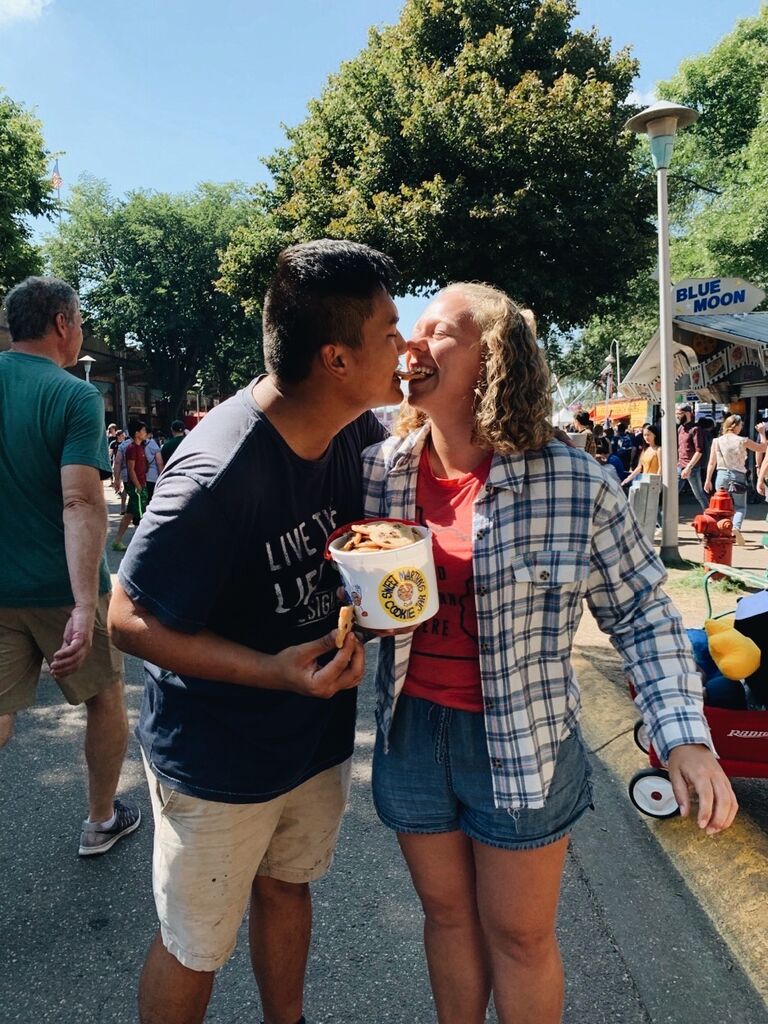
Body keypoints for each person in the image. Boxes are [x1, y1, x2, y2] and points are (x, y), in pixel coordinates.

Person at [361, 282, 737, 1024]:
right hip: (409, 737)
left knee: (522, 936)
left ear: (494, 359)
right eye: (412, 328)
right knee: (446, 920)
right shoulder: (382, 471)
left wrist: (685, 738)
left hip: (523, 744)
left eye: (439, 331)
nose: (412, 342)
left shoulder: (573, 481)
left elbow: (641, 615)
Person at [107, 240, 405, 1024]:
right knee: (196, 945)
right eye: (390, 332)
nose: (403, 346)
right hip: (216, 754)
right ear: (337, 359)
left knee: (288, 886)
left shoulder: (356, 434)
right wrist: (272, 672)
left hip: (311, 735)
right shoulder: (215, 473)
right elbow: (126, 618)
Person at [0, 276, 140, 855]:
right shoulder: (74, 395)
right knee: (105, 698)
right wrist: (85, 605)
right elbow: (81, 501)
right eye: (78, 320)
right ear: (62, 323)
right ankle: (100, 819)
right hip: (64, 585)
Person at [703, 414, 766, 545]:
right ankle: (736, 527)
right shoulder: (743, 440)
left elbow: (711, 463)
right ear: (736, 426)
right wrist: (762, 433)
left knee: (721, 507)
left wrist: (708, 479)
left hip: (720, 476)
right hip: (738, 476)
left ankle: (721, 531)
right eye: (741, 425)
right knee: (740, 507)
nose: (741, 428)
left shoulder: (717, 441)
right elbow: (762, 448)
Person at [112, 420, 149, 551]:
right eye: (143, 431)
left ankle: (117, 540)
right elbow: (131, 469)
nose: (145, 433)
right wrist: (138, 485)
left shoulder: (140, 447)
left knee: (131, 513)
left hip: (140, 484)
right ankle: (141, 544)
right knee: (140, 513)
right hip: (136, 485)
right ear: (137, 433)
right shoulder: (132, 448)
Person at [676, 404, 707, 510]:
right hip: (680, 466)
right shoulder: (680, 428)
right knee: (671, 494)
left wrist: (689, 467)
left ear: (688, 414)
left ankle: (709, 515)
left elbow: (699, 451)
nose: (678, 416)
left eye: (680, 414)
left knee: (699, 494)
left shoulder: (695, 429)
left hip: (692, 467)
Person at [622, 423, 661, 487]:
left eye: (648, 435)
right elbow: (639, 467)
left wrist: (657, 484)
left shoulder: (659, 450)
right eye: (644, 435)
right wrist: (628, 479)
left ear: (655, 435)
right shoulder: (645, 450)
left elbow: (660, 467)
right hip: (644, 481)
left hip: (654, 483)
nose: (646, 437)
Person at [143, 428, 164, 501]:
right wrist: (162, 476)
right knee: (152, 498)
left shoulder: (136, 444)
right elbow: (159, 462)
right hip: (152, 476)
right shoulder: (152, 444)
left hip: (140, 476)